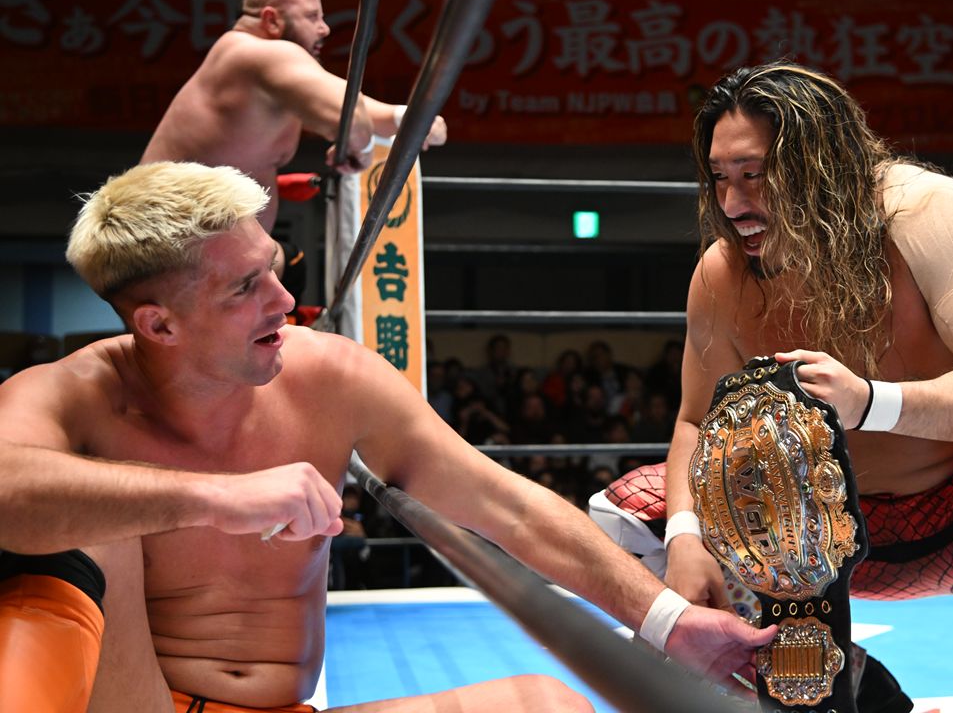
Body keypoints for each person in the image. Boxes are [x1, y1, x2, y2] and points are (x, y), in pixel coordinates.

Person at [0, 162, 773, 713]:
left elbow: (506, 507)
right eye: (244, 288)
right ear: (159, 325)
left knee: (550, 703)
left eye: (276, 267)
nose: (285, 300)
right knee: (85, 502)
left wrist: (669, 622)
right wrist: (216, 499)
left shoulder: (327, 378)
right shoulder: (70, 398)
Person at [596, 61, 953, 712]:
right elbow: (697, 421)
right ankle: (852, 691)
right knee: (637, 511)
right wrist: (686, 537)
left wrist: (869, 402)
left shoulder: (934, 215)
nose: (732, 203)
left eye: (754, 175)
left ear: (819, 163)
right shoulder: (724, 273)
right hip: (809, 545)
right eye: (719, 177)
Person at [141, 0, 447, 296]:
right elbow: (353, 121)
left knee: (286, 267)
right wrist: (361, 149)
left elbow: (364, 113)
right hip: (179, 247)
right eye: (312, 16)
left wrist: (409, 119)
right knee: (290, 269)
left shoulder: (260, 66)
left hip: (187, 246)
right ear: (271, 20)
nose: (325, 28)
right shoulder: (262, 54)